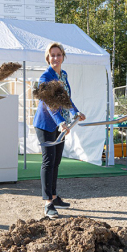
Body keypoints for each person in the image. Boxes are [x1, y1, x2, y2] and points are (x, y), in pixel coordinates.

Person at [33, 42, 86, 219]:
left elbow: (65, 99)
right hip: (46, 124)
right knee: (48, 162)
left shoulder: (63, 75)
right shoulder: (44, 78)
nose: (55, 58)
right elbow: (50, 103)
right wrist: (60, 122)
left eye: (58, 54)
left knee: (56, 162)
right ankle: (47, 203)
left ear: (63, 56)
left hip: (60, 124)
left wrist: (75, 111)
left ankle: (54, 197)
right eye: (52, 55)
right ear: (48, 58)